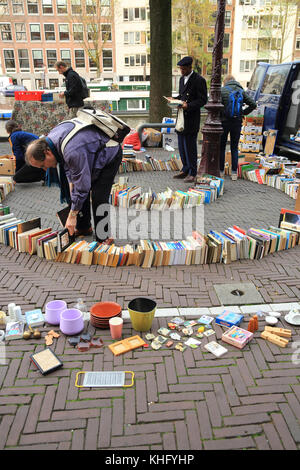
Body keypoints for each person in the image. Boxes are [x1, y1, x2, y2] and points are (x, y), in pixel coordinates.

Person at [25, 122, 123, 241]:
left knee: (98, 195)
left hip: (109, 153)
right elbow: (68, 165)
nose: (45, 169)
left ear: (47, 152)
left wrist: (72, 216)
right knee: (76, 192)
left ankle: (103, 237)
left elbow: (82, 186)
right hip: (90, 152)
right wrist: (72, 183)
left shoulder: (72, 151)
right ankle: (84, 227)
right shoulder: (52, 141)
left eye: (42, 165)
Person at [173, 56, 208, 183]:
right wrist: (174, 99)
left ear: (189, 67)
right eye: (180, 69)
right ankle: (185, 168)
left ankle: (193, 172)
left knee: (190, 147)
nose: (181, 71)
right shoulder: (182, 79)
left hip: (191, 118)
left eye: (183, 69)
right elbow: (182, 95)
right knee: (182, 146)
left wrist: (189, 105)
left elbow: (203, 99)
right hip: (181, 117)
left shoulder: (199, 80)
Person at [220, 75, 257, 180]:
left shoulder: (222, 90)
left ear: (225, 82)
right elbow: (253, 104)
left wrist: (222, 114)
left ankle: (221, 171)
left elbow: (216, 105)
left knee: (222, 146)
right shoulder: (241, 91)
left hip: (224, 122)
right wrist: (243, 113)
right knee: (234, 147)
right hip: (237, 122)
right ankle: (234, 173)